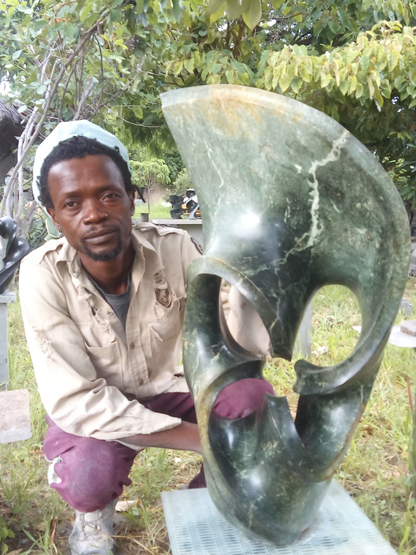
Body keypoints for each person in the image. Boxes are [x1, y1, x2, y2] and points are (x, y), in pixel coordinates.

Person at [19, 121, 274, 555]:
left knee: (252, 402)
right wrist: (203, 440)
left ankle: (207, 507)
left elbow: (234, 350)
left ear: (132, 199)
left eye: (108, 195)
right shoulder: (43, 275)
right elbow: (75, 401)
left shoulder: (176, 249)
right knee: (87, 475)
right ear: (52, 215)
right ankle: (93, 520)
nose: (95, 213)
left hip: (174, 386)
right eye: (72, 203)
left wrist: (246, 290)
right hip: (97, 408)